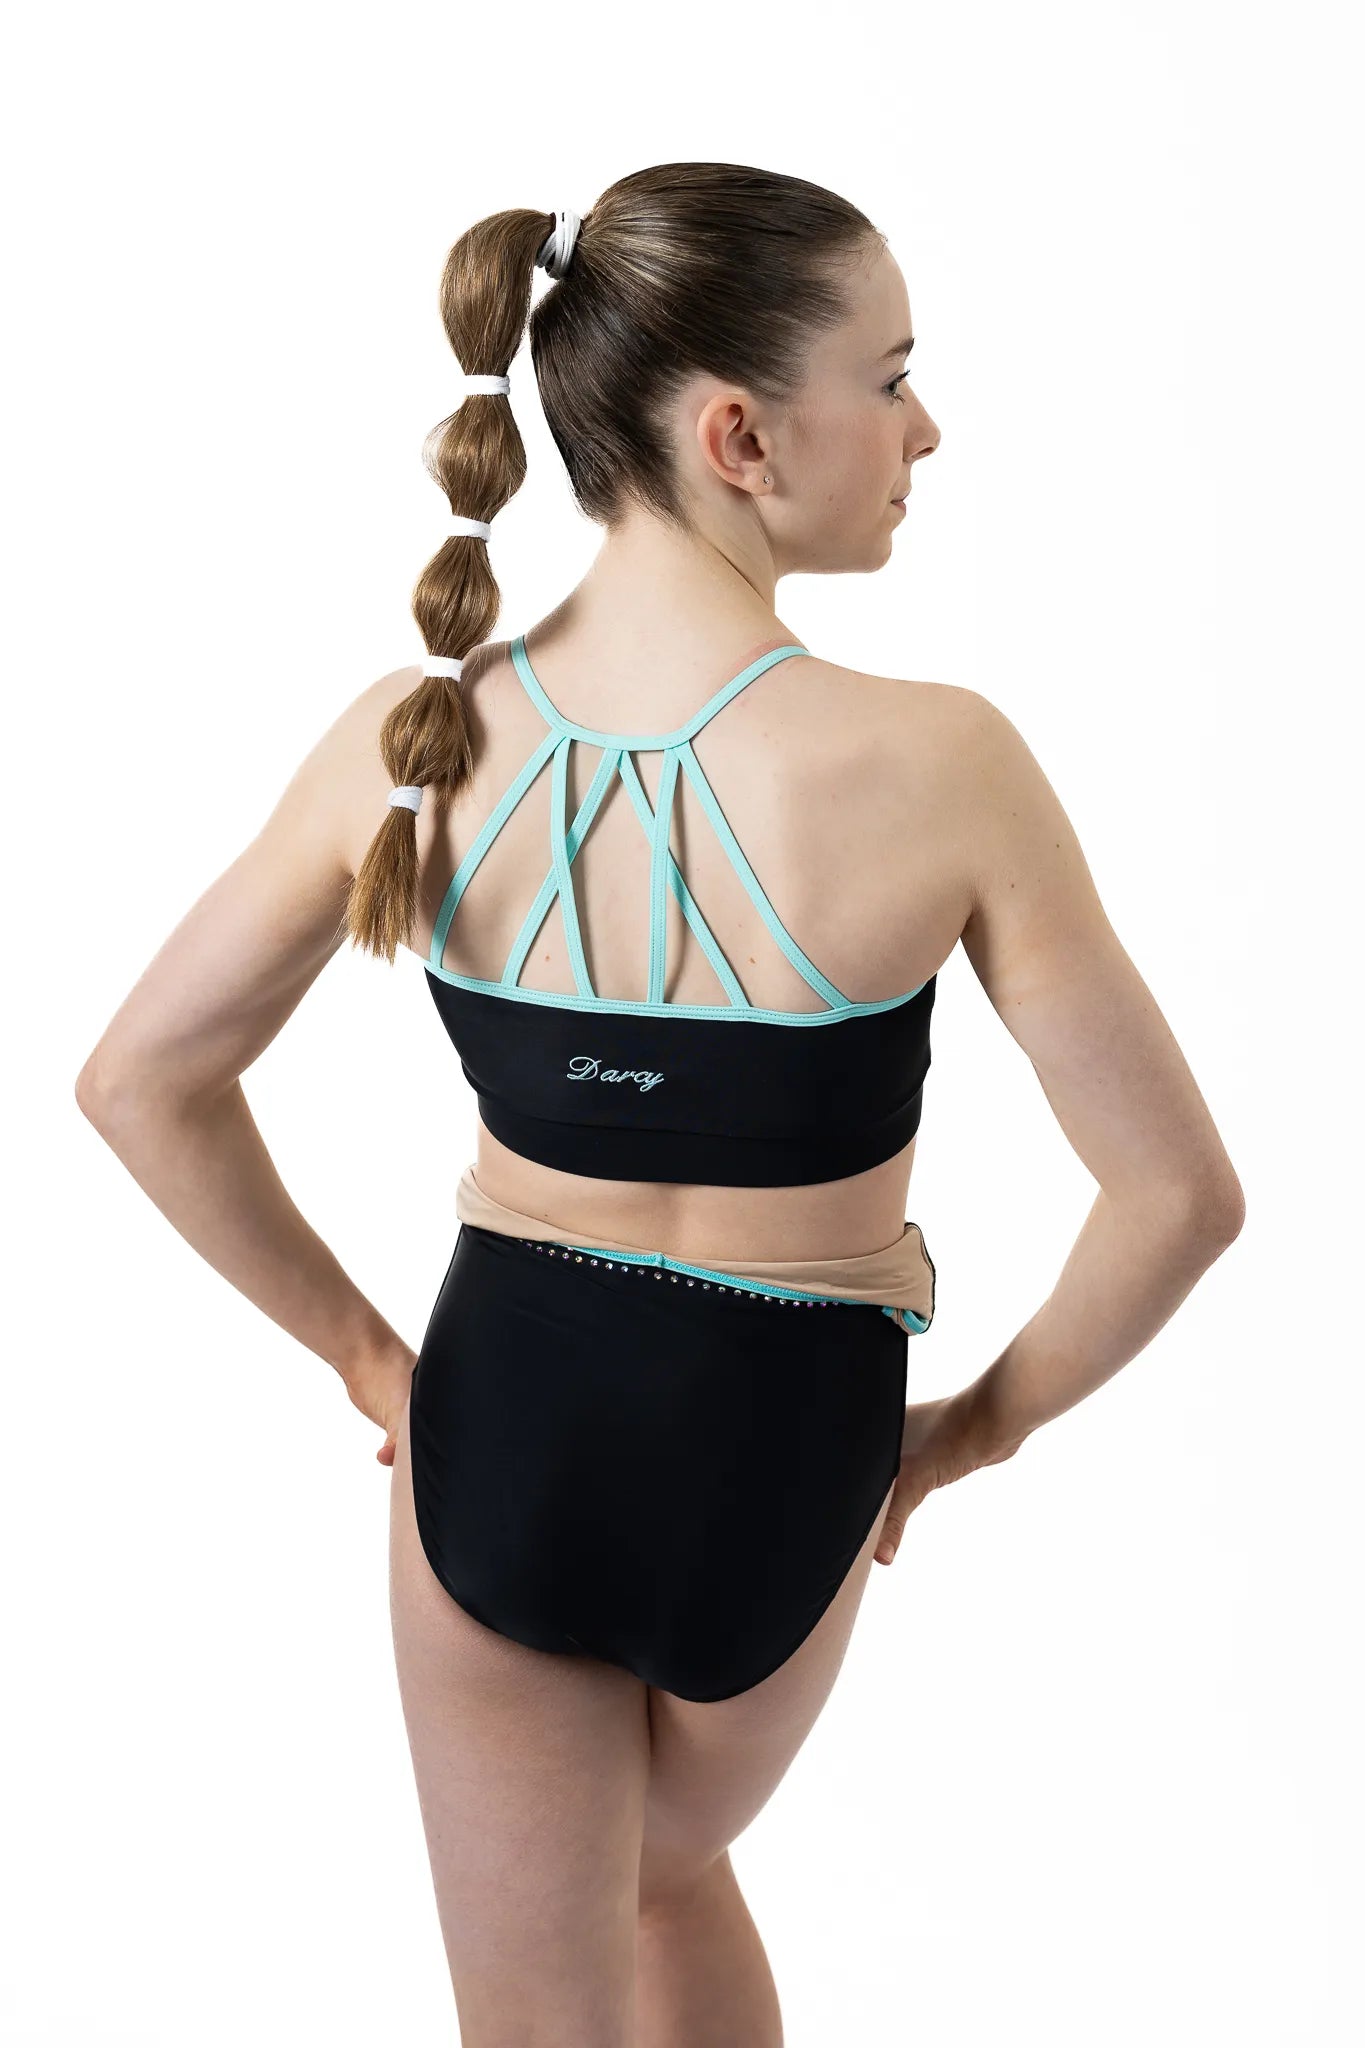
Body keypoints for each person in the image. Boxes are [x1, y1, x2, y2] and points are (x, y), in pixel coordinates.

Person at [75, 164, 1245, 2045]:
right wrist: (963, 1437)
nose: (924, 427)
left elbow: (142, 1079)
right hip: (789, 1440)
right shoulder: (937, 761)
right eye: (891, 376)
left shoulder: (418, 740)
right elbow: (1177, 1197)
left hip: (503, 1422)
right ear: (739, 436)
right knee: (664, 1876)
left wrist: (370, 1363)